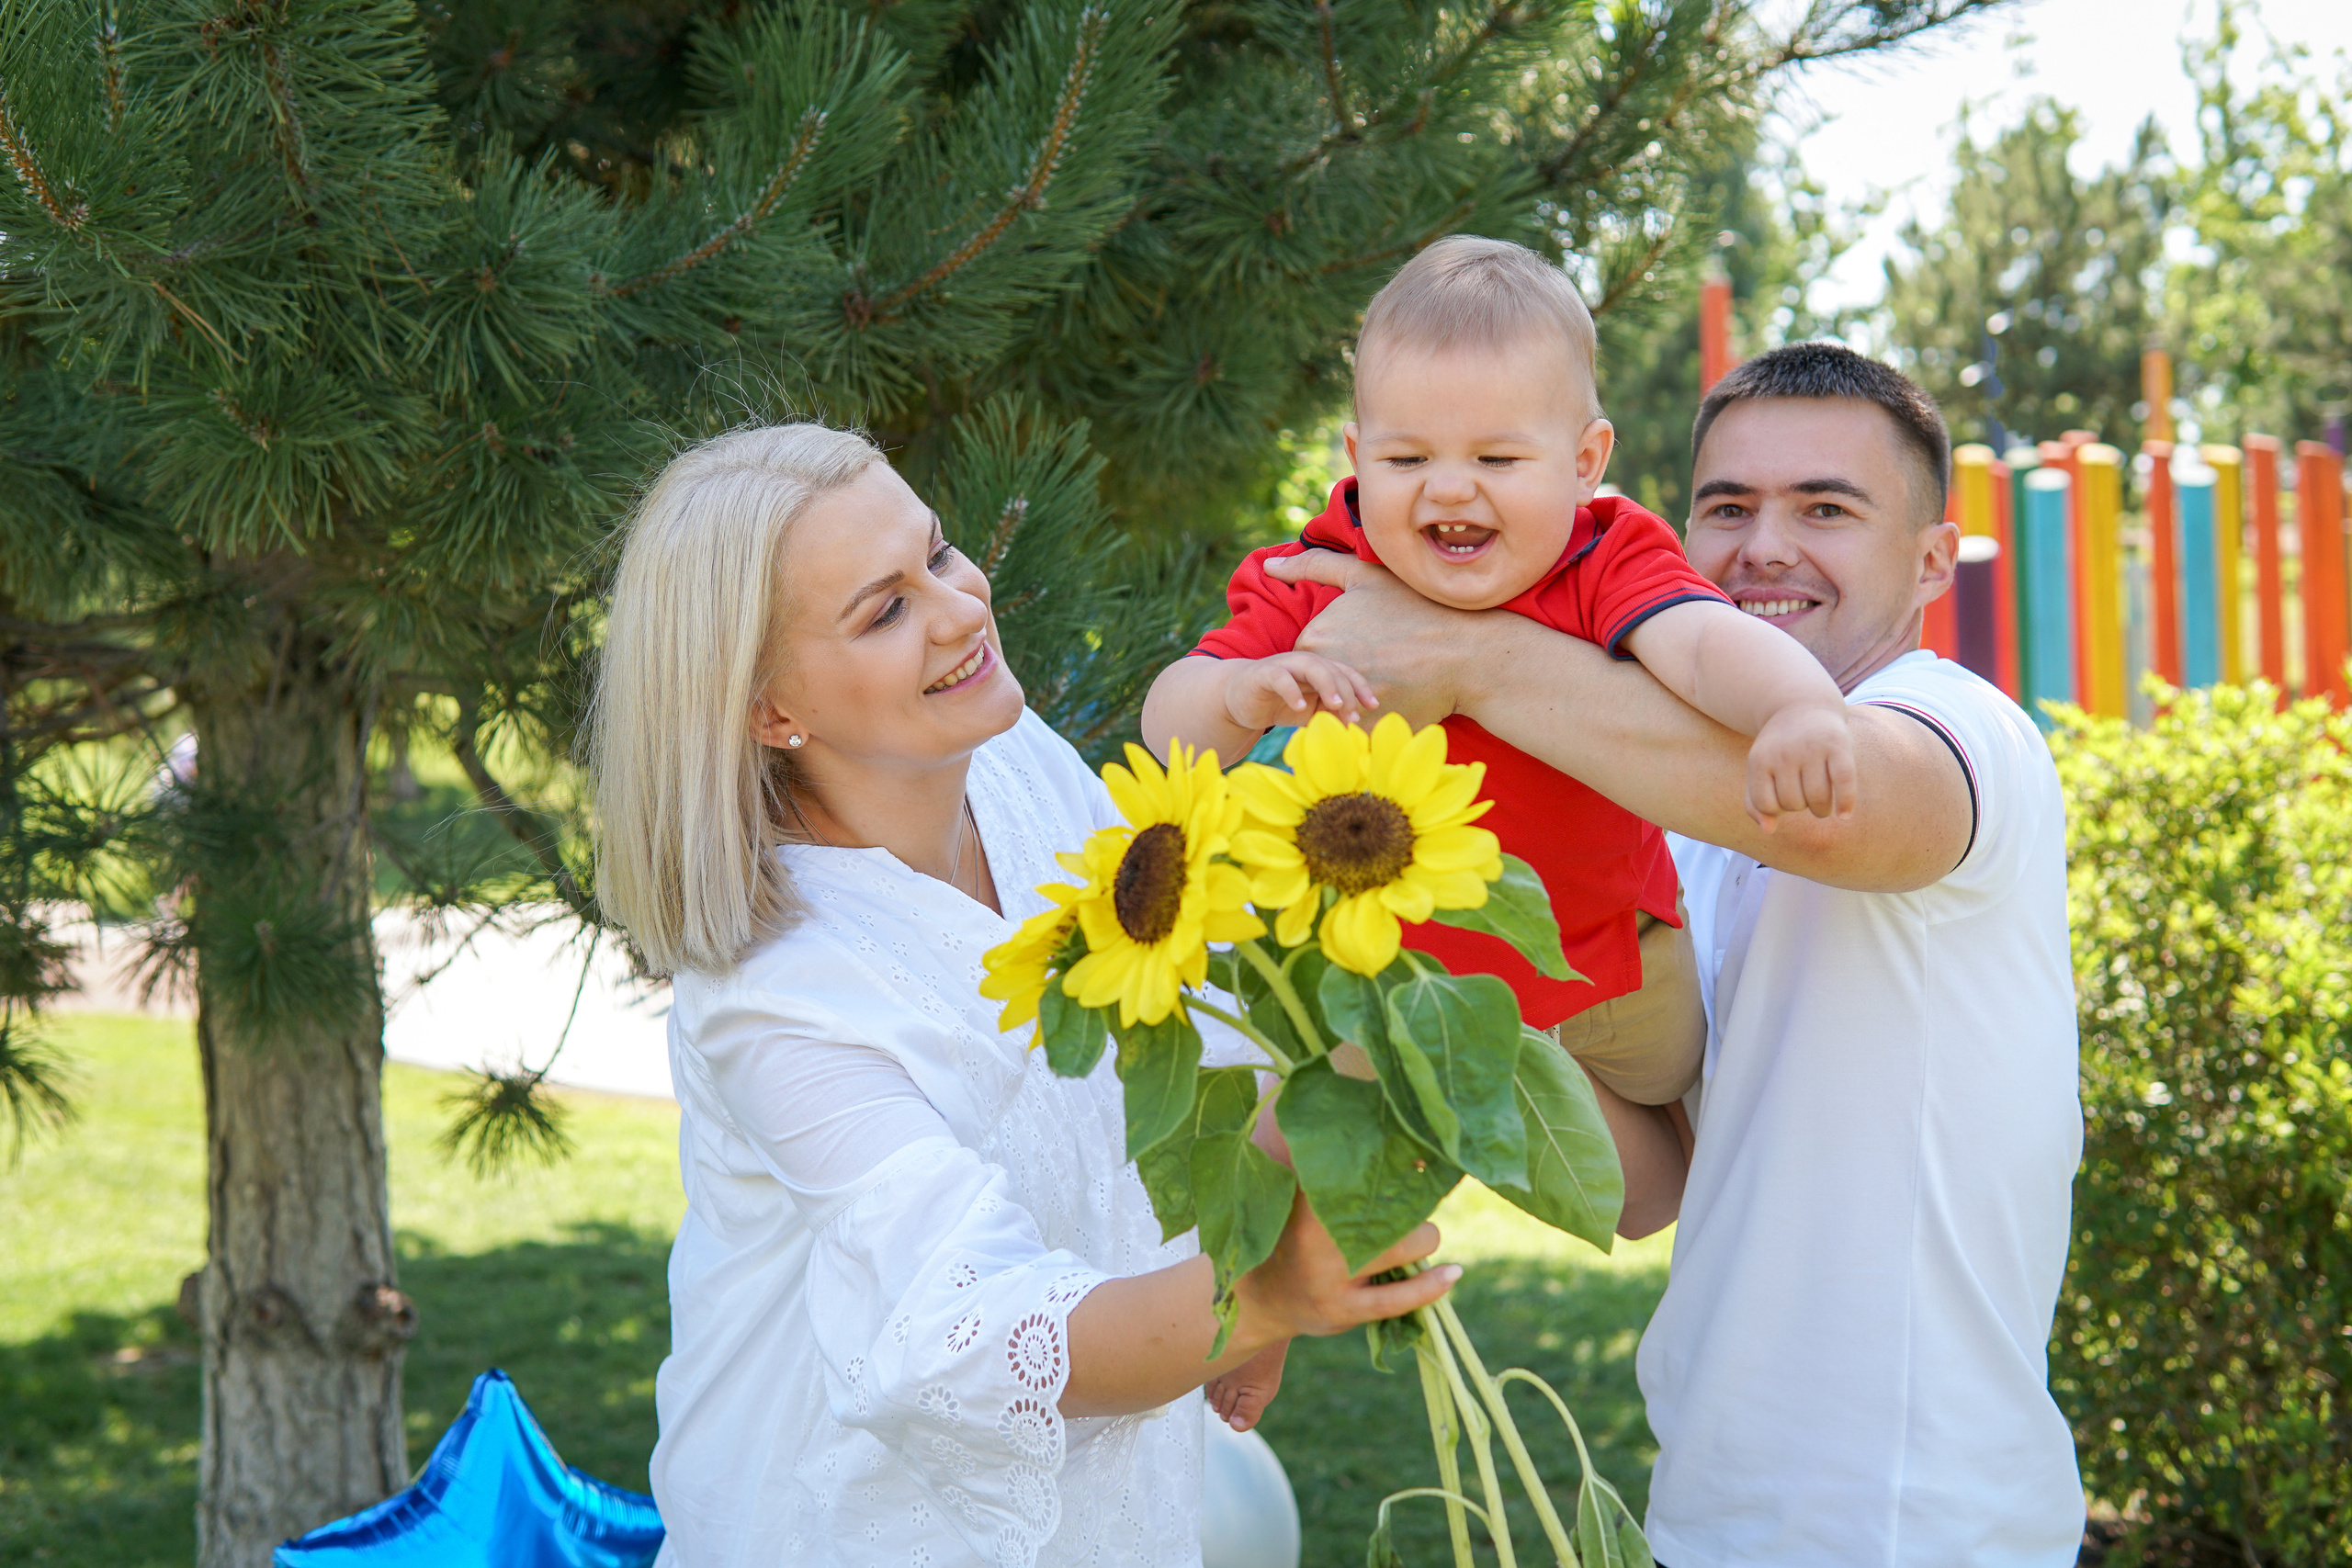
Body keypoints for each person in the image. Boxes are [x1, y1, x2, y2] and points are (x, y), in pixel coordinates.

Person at [1257, 344, 2085, 1566]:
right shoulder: (1684, 834)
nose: (1763, 547)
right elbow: (1650, 1182)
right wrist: (1449, 1016)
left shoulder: (1964, 724)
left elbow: (1838, 805)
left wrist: (1468, 646)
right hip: (1716, 1502)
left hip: (1916, 1518)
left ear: (1928, 561)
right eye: (1727, 506)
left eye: (1826, 508)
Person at [587, 423, 1459, 1568]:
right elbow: (963, 1333)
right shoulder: (777, 993)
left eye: (939, 555)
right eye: (882, 609)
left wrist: (1250, 1235)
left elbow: (1181, 1039)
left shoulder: (1011, 764)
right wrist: (1254, 1296)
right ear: (767, 710)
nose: (959, 609)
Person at [1147, 236, 1856, 1109]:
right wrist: (1234, 693)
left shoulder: (1601, 554)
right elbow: (1170, 725)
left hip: (1615, 970)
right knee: (1344, 1146)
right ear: (1358, 454)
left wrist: (1797, 706)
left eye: (1495, 460)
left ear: (1585, 462)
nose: (1448, 490)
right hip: (1404, 982)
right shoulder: (1324, 572)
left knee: (1689, 1100)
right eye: (1407, 460)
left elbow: (1706, 643)